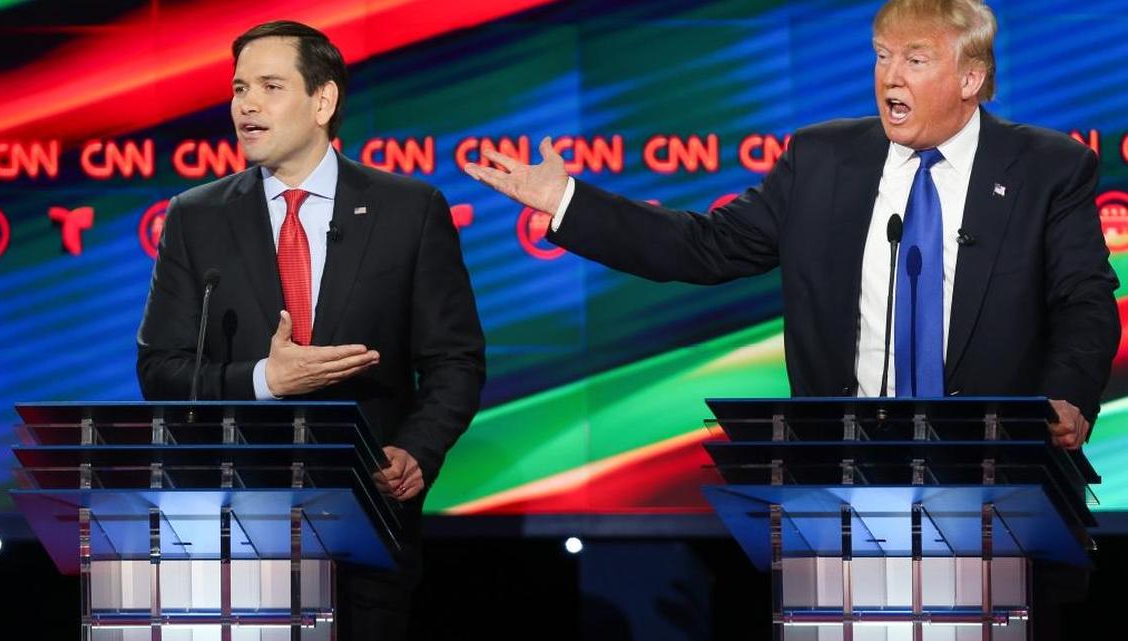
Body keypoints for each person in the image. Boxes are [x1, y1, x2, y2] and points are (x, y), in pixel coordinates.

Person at [465, 0, 1118, 450]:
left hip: (996, 475)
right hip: (842, 476)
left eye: (915, 60)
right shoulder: (821, 160)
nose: (890, 75)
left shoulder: (1046, 168)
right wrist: (566, 200)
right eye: (882, 56)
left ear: (971, 76)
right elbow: (704, 246)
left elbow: (1085, 302)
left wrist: (1066, 396)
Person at [137, 20, 485, 638]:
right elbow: (160, 370)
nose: (246, 104)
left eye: (270, 87)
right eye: (239, 88)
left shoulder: (409, 210)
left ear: (323, 101)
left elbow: (454, 359)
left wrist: (418, 450)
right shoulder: (196, 217)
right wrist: (266, 380)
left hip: (367, 519)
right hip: (235, 527)